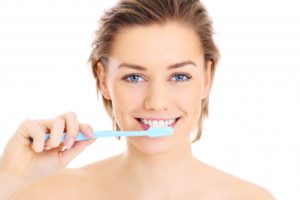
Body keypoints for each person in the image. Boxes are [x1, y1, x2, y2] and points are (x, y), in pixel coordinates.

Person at [0, 0, 275, 199]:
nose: (156, 102)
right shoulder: (50, 195)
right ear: (103, 79)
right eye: (134, 77)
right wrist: (10, 183)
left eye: (179, 76)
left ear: (207, 77)